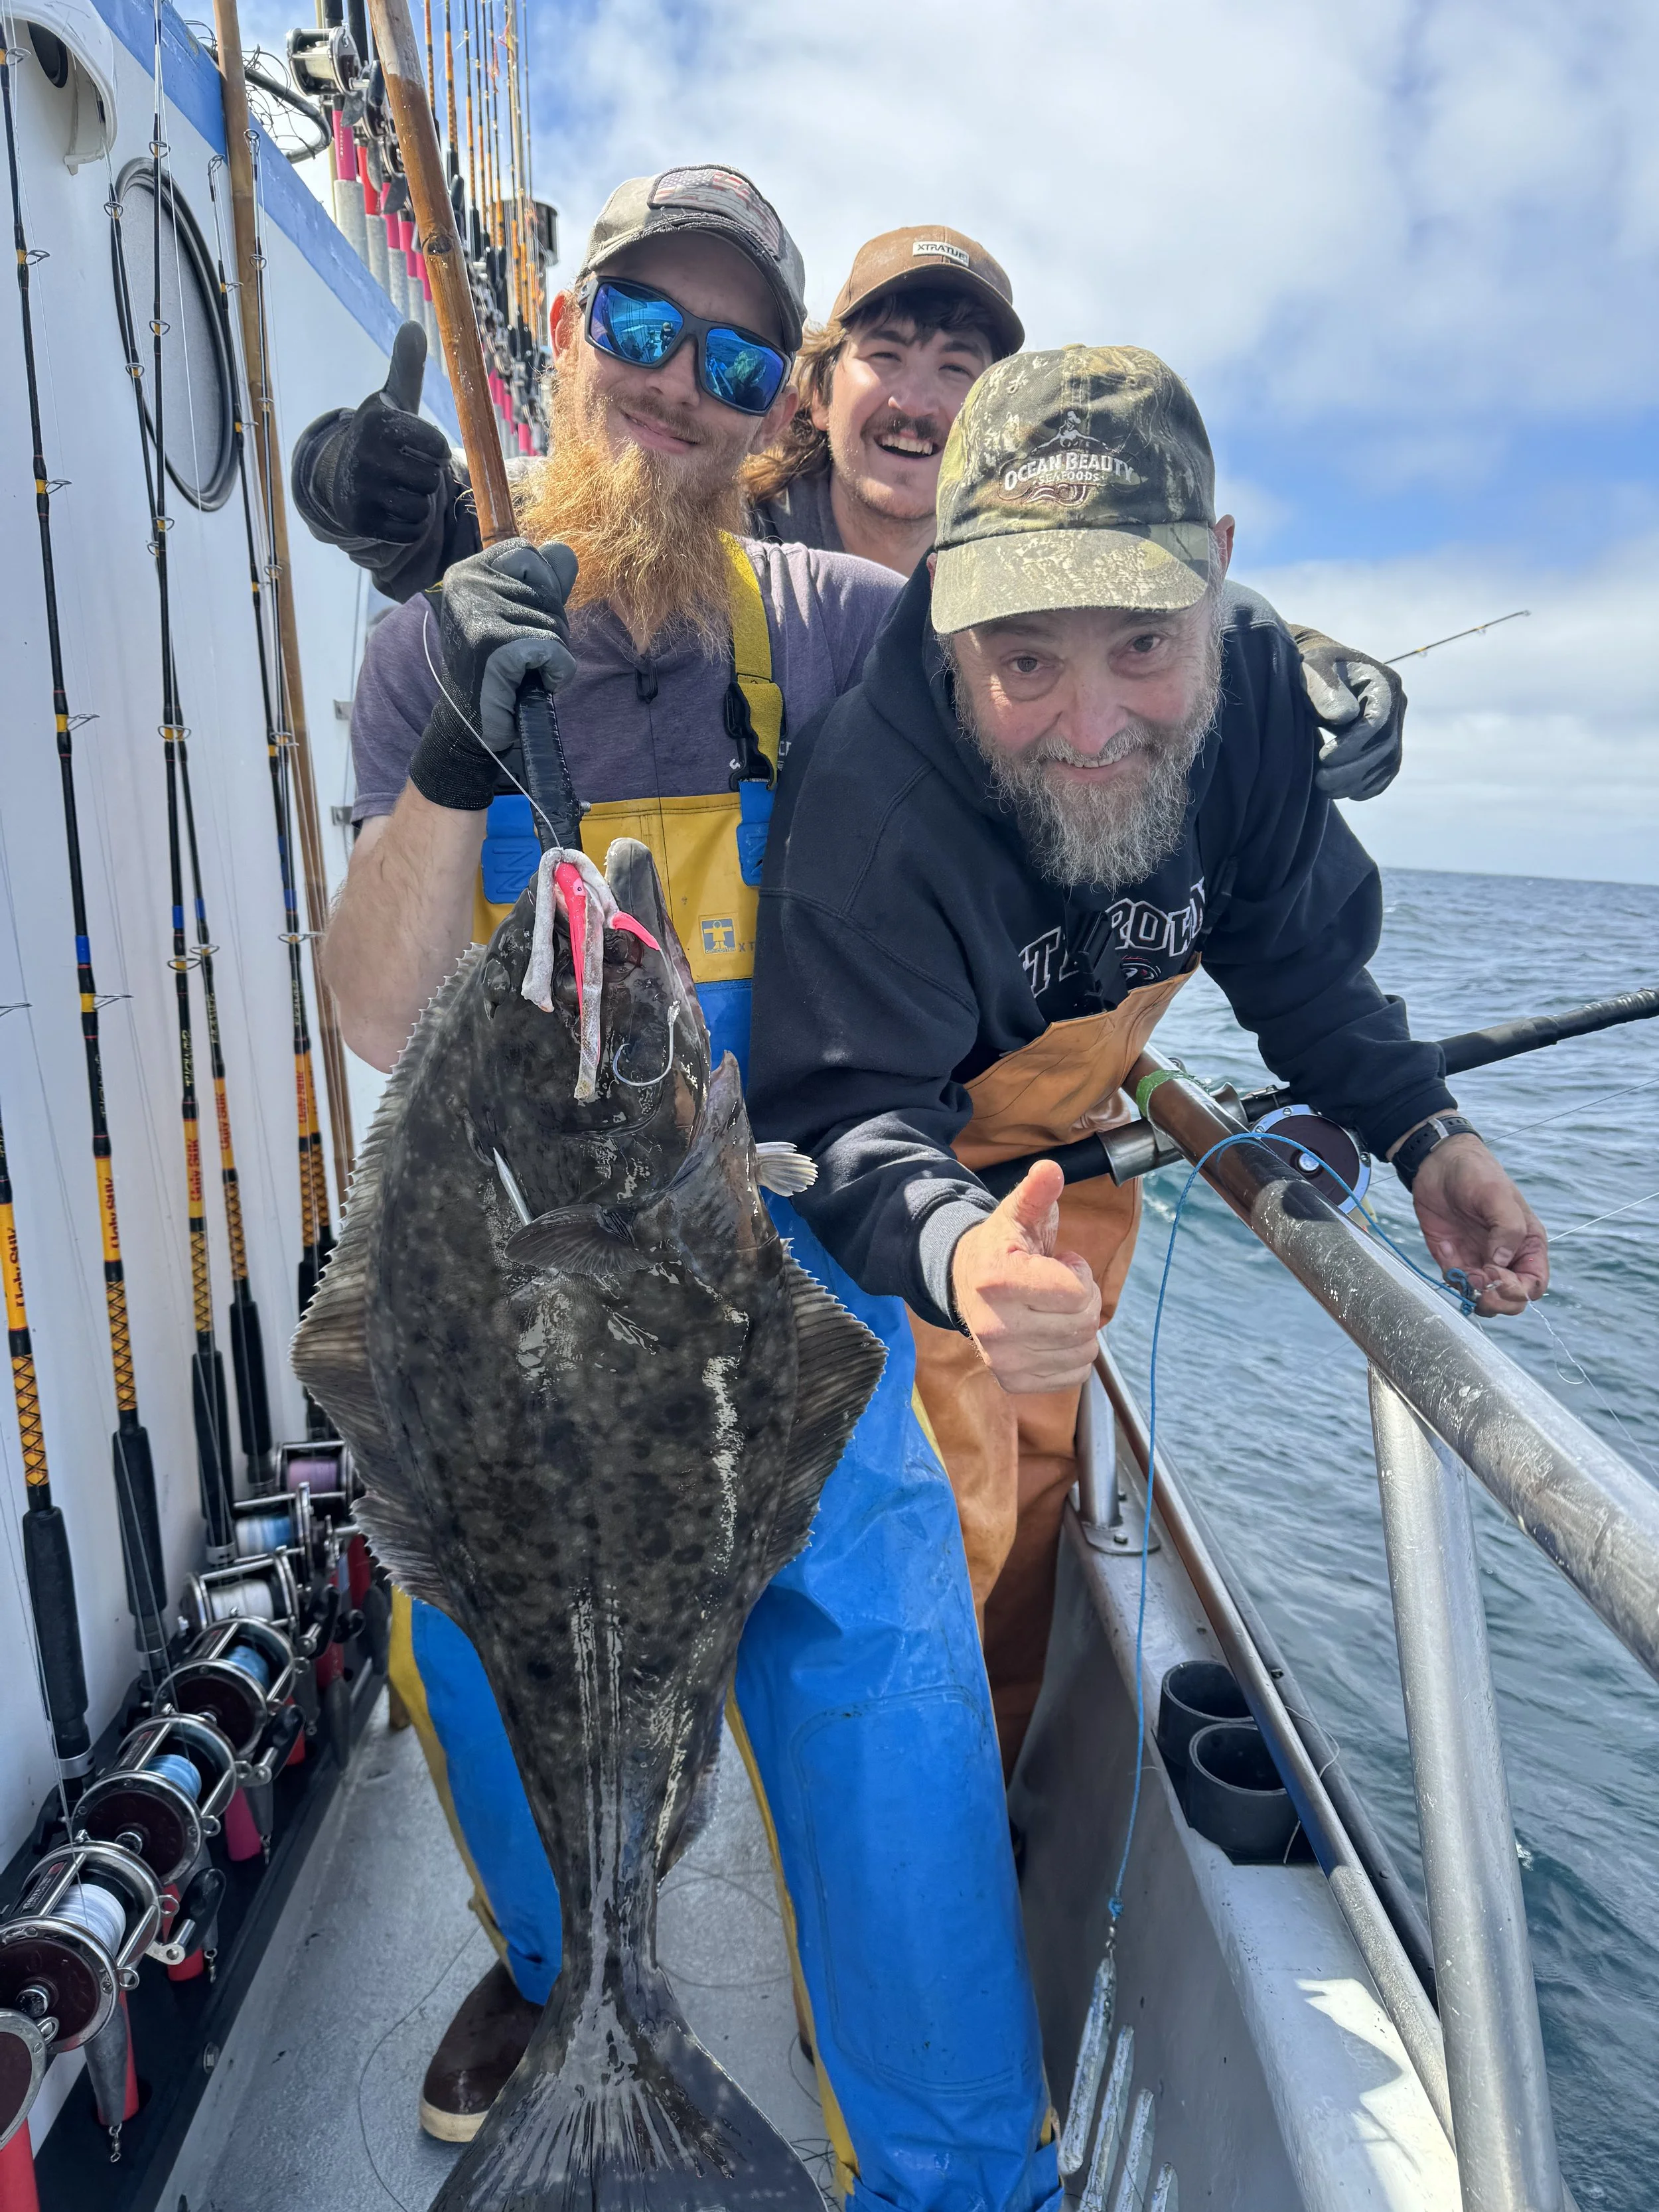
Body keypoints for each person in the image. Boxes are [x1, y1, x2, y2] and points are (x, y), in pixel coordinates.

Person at [320, 163, 1062, 2212]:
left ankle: (953, 2169)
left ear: (775, 413)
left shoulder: (834, 632)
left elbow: (1043, 706)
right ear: (573, 336)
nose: (679, 385)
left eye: (736, 361)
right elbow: (379, 1011)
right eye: (644, 329)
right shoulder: (433, 643)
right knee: (476, 1662)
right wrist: (452, 744)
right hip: (521, 1336)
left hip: (775, 1296)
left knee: (894, 1706)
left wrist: (1223, 699)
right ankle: (570, 1985)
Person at [747, 344, 1549, 1769]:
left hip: (1076, 1173)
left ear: (1216, 575)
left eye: (1141, 644)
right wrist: (960, 1257)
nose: (1093, 724)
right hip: (915, 1208)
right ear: (946, 607)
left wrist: (1426, 1132)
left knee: (1043, 1490)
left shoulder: (1255, 697)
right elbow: (847, 1114)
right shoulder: (871, 800)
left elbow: (1295, 957)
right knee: (937, 1526)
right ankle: (914, 1822)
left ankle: (1000, 1790)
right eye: (1024, 659)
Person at [293, 234, 1407, 800]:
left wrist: (1286, 653)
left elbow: (1126, 616)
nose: (919, 401)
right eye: (886, 356)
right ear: (811, 396)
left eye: (960, 369)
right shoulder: (716, 521)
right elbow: (514, 533)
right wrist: (364, 492)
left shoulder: (1023, 570)